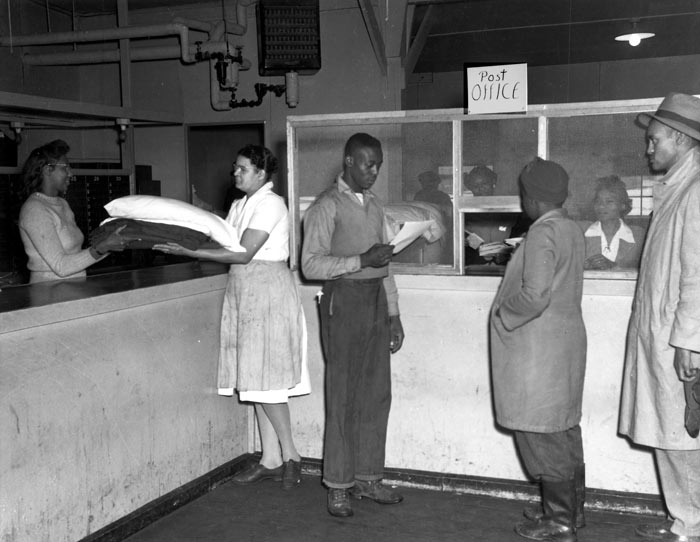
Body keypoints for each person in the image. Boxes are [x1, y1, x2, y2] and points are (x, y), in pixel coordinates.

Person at [153, 144, 309, 491]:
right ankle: (270, 458)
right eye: (235, 168)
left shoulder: (271, 204)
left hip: (266, 290)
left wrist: (187, 251)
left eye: (242, 169)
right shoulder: (242, 204)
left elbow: (243, 253)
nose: (235, 174)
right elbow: (222, 232)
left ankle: (293, 455)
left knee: (267, 380)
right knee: (253, 378)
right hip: (245, 291)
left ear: (262, 174)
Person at [301, 132, 405, 518]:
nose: (374, 171)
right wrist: (361, 260)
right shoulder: (325, 207)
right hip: (342, 302)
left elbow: (385, 267)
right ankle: (339, 485)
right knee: (342, 397)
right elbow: (311, 265)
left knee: (377, 394)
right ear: (348, 161)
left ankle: (368, 477)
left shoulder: (376, 206)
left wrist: (394, 314)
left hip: (376, 302)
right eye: (367, 163)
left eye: (378, 163)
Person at [490, 157, 587, 542]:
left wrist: (502, 313)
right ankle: (569, 511)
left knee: (541, 433)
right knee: (563, 429)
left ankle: (559, 522)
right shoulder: (571, 229)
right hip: (565, 346)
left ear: (531, 199)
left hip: (537, 352)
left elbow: (534, 297)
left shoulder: (543, 233)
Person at [619, 92, 700, 542]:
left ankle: (690, 526)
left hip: (680, 341)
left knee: (683, 436)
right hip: (666, 333)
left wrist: (690, 341)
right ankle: (683, 521)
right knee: (672, 433)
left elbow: (698, 274)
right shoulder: (679, 186)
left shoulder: (697, 190)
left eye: (653, 141)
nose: (648, 148)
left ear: (680, 138)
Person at [18, 139, 127, 283]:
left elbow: (76, 257)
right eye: (65, 168)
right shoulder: (34, 210)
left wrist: (109, 244)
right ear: (47, 170)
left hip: (73, 289)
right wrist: (102, 247)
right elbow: (61, 266)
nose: (71, 174)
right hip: (48, 294)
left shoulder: (62, 204)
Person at [582, 175, 644, 270]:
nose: (601, 207)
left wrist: (615, 267)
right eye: (598, 201)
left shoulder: (638, 236)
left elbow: (645, 269)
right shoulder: (582, 232)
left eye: (609, 202)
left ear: (623, 205)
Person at [463, 166, 513, 266]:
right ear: (470, 187)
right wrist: (478, 248)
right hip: (475, 265)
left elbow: (517, 237)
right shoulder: (465, 211)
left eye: (484, 184)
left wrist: (504, 252)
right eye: (475, 186)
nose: (480, 189)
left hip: (505, 264)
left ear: (493, 182)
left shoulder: (508, 208)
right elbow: (461, 238)